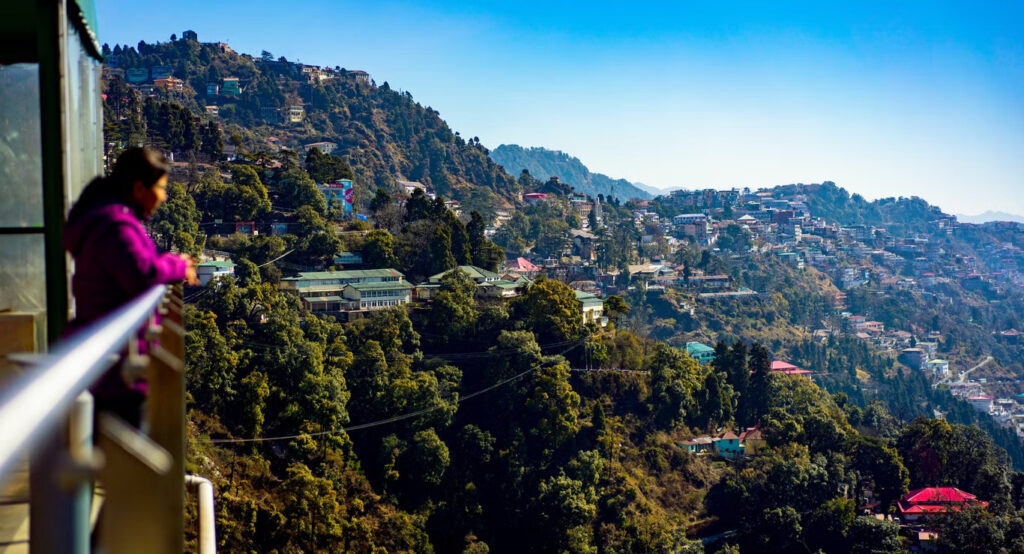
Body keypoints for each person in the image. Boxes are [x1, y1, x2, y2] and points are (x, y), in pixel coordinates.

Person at [63, 147, 199, 426]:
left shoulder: (108, 218)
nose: (164, 196)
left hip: (107, 361)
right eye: (161, 188)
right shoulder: (115, 225)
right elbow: (143, 273)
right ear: (139, 188)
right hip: (115, 371)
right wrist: (178, 266)